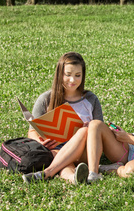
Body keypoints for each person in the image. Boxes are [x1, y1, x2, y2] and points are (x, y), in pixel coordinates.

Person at [22, 52, 103, 184]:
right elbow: (32, 131)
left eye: (78, 75)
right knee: (64, 163)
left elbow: (100, 130)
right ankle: (74, 178)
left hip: (84, 152)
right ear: (60, 74)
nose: (72, 80)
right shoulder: (46, 99)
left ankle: (46, 173)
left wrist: (89, 129)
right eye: (68, 75)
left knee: (82, 132)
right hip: (55, 151)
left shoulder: (90, 99)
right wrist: (40, 142)